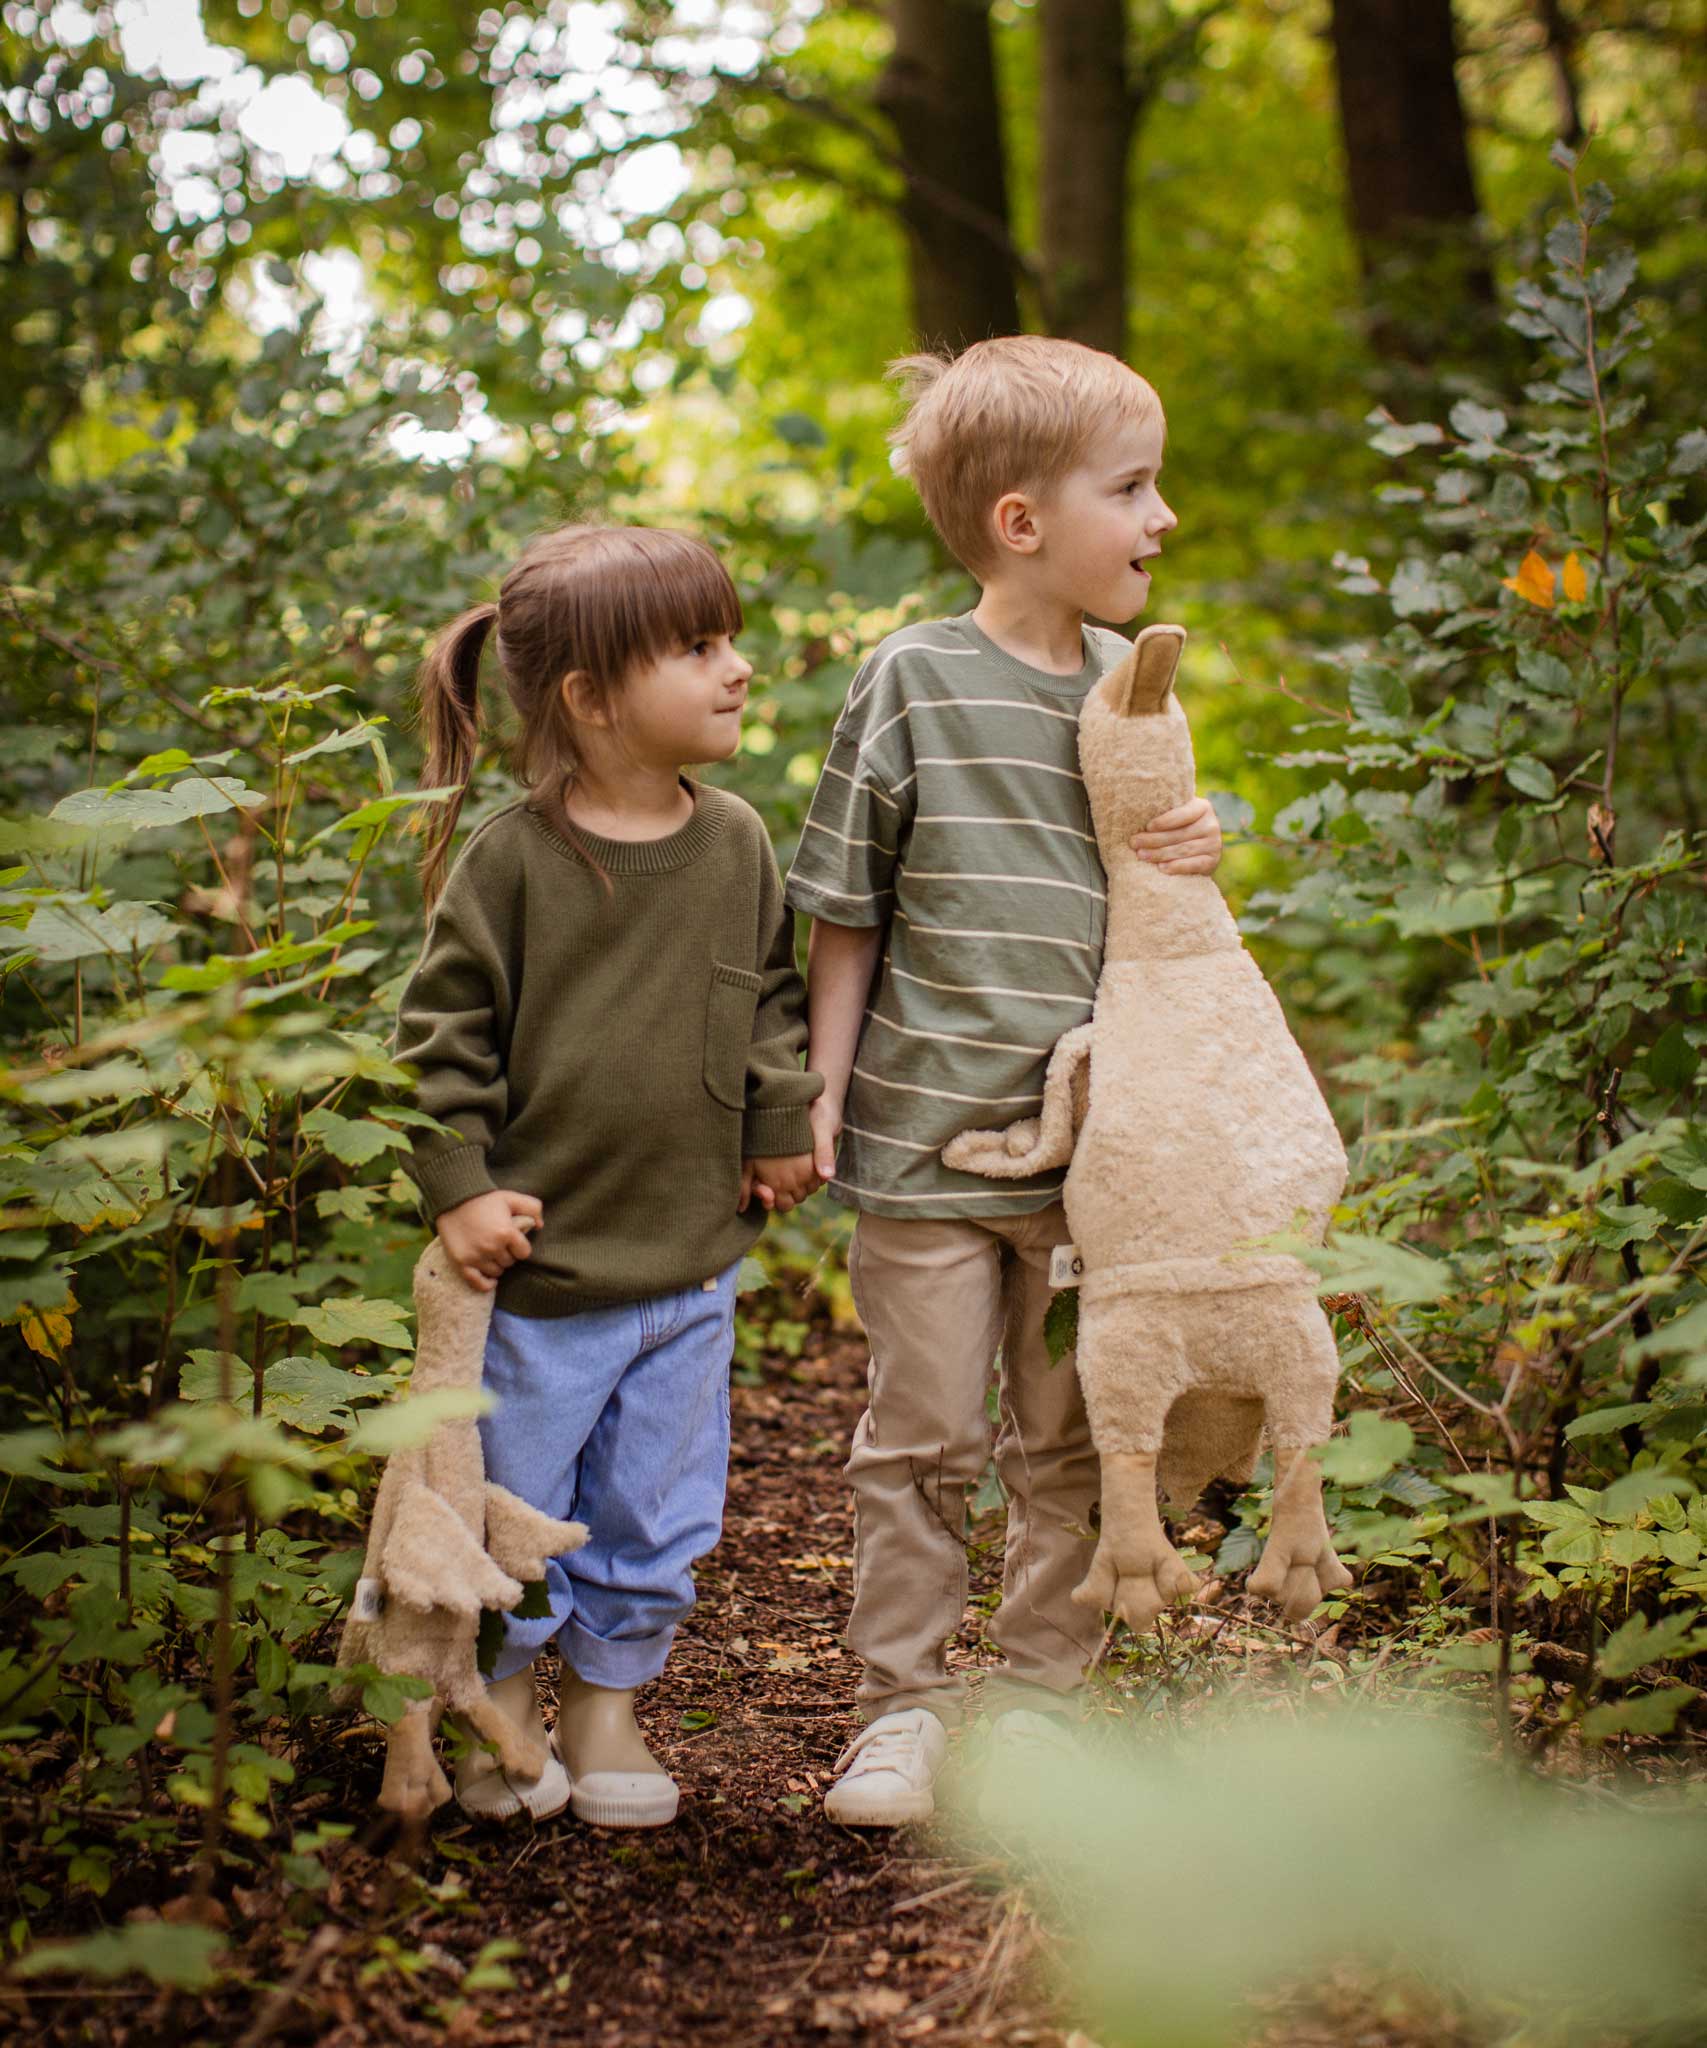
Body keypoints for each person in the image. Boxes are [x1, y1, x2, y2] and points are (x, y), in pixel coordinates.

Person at [785, 337, 1223, 1826]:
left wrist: (1194, 853)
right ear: (1023, 522)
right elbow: (846, 907)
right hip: (921, 1138)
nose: (1163, 517)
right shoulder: (912, 677)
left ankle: (1040, 1702)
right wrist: (821, 1091)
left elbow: (1164, 914)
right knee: (921, 1437)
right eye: (1134, 488)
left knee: (1072, 1436)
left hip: (1094, 1157)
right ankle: (899, 1709)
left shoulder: (1135, 688)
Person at [396, 524, 821, 1827]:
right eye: (696, 647)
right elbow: (441, 1037)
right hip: (543, 1280)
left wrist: (778, 1119)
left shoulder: (737, 840)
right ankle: (506, 1700)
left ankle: (608, 1706)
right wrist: (461, 1184)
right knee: (521, 1505)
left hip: (690, 1262)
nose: (736, 667)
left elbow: (770, 1000)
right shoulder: (516, 859)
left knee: (657, 1508)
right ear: (588, 697)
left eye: (727, 638)